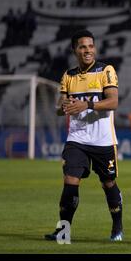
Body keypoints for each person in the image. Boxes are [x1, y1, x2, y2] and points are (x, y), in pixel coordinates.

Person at [44, 30, 123, 242]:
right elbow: (60, 108)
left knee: (108, 183)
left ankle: (117, 226)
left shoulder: (106, 70)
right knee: (70, 181)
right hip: (77, 138)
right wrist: (65, 106)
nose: (87, 50)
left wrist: (86, 104)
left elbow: (113, 102)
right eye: (82, 47)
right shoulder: (68, 75)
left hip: (103, 140)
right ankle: (63, 231)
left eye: (90, 46)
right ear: (74, 50)